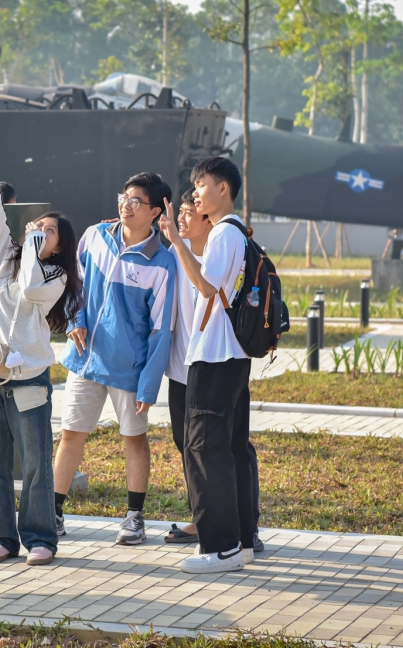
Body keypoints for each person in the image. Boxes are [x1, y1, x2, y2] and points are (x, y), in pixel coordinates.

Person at [0, 123, 82, 566]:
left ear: (59, 247)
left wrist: (35, 250)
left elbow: (32, 289)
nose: (40, 230)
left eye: (49, 231)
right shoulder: (1, 256)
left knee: (34, 460)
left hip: (29, 374)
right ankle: (2, 535)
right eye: (38, 225)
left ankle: (40, 537)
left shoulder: (53, 276)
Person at [54, 172, 175, 546]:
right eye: (124, 196)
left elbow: (161, 331)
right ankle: (52, 513)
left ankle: (134, 518)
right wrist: (75, 319)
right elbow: (73, 281)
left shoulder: (163, 263)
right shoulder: (95, 236)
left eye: (136, 200)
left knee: (133, 440)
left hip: (129, 369)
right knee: (70, 434)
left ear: (155, 211)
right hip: (85, 359)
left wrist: (149, 385)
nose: (126, 204)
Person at [158, 156, 255, 573]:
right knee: (229, 449)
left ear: (223, 191)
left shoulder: (222, 234)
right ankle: (243, 541)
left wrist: (175, 242)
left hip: (214, 358)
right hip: (231, 357)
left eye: (202, 184)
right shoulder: (239, 234)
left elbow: (205, 286)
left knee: (204, 449)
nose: (196, 191)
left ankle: (221, 547)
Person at [162, 191, 214, 546]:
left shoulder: (217, 254)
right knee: (185, 445)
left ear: (207, 217)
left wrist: (179, 244)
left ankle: (226, 522)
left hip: (210, 368)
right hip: (179, 370)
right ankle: (200, 516)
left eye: (187, 212)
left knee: (213, 448)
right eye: (178, 212)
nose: (181, 218)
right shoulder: (171, 255)